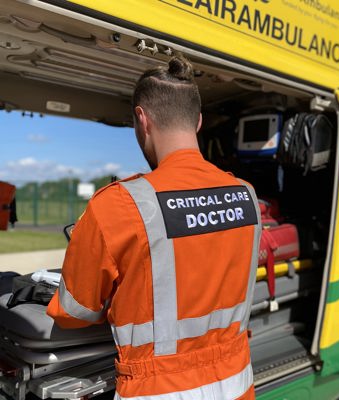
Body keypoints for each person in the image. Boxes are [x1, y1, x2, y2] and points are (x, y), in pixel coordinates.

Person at [47, 55, 262, 400]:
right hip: (236, 382)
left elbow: (75, 312)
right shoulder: (246, 196)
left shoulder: (118, 205)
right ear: (198, 121)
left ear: (142, 120)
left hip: (158, 389)